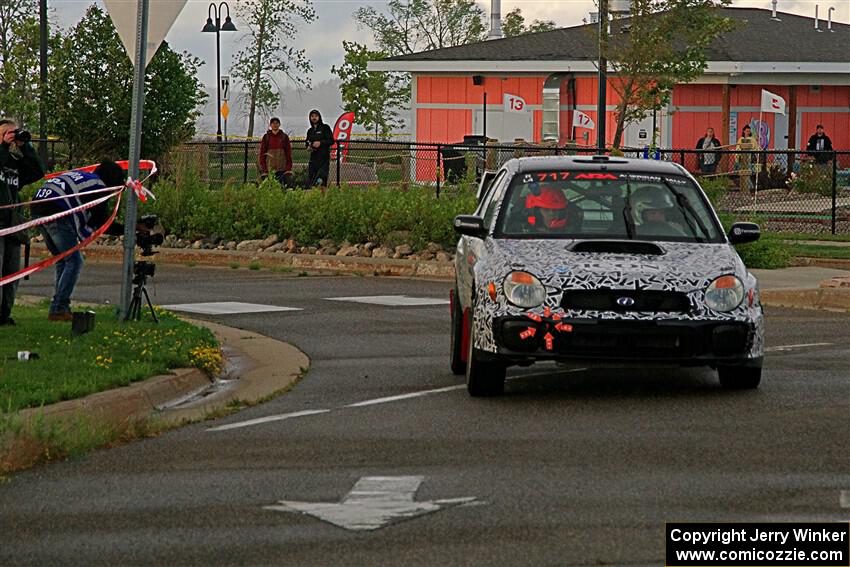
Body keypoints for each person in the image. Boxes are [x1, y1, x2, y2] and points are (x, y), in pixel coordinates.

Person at [31, 160, 135, 321]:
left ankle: (59, 307)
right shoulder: (99, 186)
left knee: (63, 260)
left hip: (38, 206)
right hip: (55, 209)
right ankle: (59, 308)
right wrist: (131, 228)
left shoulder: (85, 178)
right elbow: (103, 222)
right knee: (74, 261)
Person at [0, 119, 45, 326]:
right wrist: (2, 145)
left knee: (12, 271)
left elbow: (38, 171)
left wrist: (25, 146)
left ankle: (5, 314)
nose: (11, 136)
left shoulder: (13, 162)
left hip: (13, 223)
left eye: (14, 132)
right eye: (7, 133)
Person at [258, 117, 292, 187]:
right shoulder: (266, 137)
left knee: (282, 187)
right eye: (273, 123)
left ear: (279, 124)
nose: (275, 125)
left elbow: (288, 153)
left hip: (282, 169)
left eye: (277, 123)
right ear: (270, 125)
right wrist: (264, 168)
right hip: (270, 169)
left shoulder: (284, 137)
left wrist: (288, 168)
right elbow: (262, 153)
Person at [305, 109, 334, 187]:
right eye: (312, 116)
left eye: (316, 116)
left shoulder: (325, 128)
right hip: (313, 160)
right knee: (312, 181)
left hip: (323, 160)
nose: (314, 118)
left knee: (321, 182)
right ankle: (314, 193)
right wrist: (308, 147)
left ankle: (323, 194)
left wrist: (320, 143)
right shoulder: (310, 131)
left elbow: (331, 141)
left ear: (319, 117)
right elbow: (307, 142)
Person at [735, 125, 759, 192]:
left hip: (750, 158)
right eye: (747, 131)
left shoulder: (752, 139)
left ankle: (750, 187)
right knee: (742, 172)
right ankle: (744, 187)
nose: (748, 132)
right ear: (744, 131)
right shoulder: (740, 139)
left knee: (749, 172)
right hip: (742, 158)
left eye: (749, 131)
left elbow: (756, 148)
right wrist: (737, 158)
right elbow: (737, 149)